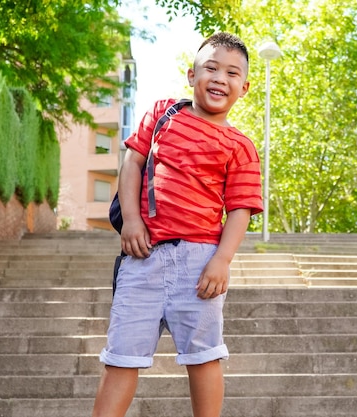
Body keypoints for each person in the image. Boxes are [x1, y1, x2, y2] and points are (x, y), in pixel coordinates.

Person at [91, 32, 263, 417]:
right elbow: (133, 162)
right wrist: (131, 221)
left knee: (204, 356)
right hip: (143, 256)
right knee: (121, 357)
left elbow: (240, 209)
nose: (220, 78)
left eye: (232, 72)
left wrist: (222, 261)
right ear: (191, 75)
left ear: (245, 87)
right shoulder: (162, 113)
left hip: (200, 263)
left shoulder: (241, 147)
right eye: (211, 68)